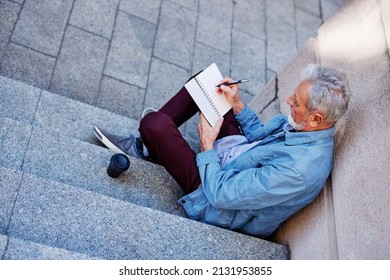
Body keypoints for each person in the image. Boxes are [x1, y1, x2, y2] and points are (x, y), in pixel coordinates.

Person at [94, 64, 351, 238]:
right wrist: (237, 105)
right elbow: (258, 139)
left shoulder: (299, 170)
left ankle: (148, 141)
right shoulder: (305, 126)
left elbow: (221, 195)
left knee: (154, 124)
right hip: (236, 157)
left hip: (216, 199)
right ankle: (149, 145)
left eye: (296, 102)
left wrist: (207, 145)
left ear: (316, 118)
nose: (288, 101)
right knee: (206, 85)